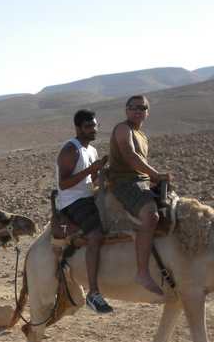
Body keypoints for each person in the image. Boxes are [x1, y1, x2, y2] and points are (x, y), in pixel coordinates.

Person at [107, 95, 172, 296]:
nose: (137, 110)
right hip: (125, 183)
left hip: (140, 181)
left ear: (147, 112)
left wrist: (153, 179)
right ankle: (142, 273)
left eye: (142, 107)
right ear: (126, 111)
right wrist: (156, 175)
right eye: (133, 107)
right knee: (151, 216)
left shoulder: (141, 135)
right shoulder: (123, 129)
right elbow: (129, 156)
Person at [56, 109, 112, 313]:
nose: (93, 130)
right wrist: (90, 170)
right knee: (96, 235)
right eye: (88, 127)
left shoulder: (93, 151)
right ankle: (93, 293)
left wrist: (105, 173)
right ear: (77, 128)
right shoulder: (71, 150)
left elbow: (93, 181)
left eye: (95, 126)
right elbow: (63, 184)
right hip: (73, 201)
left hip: (89, 196)